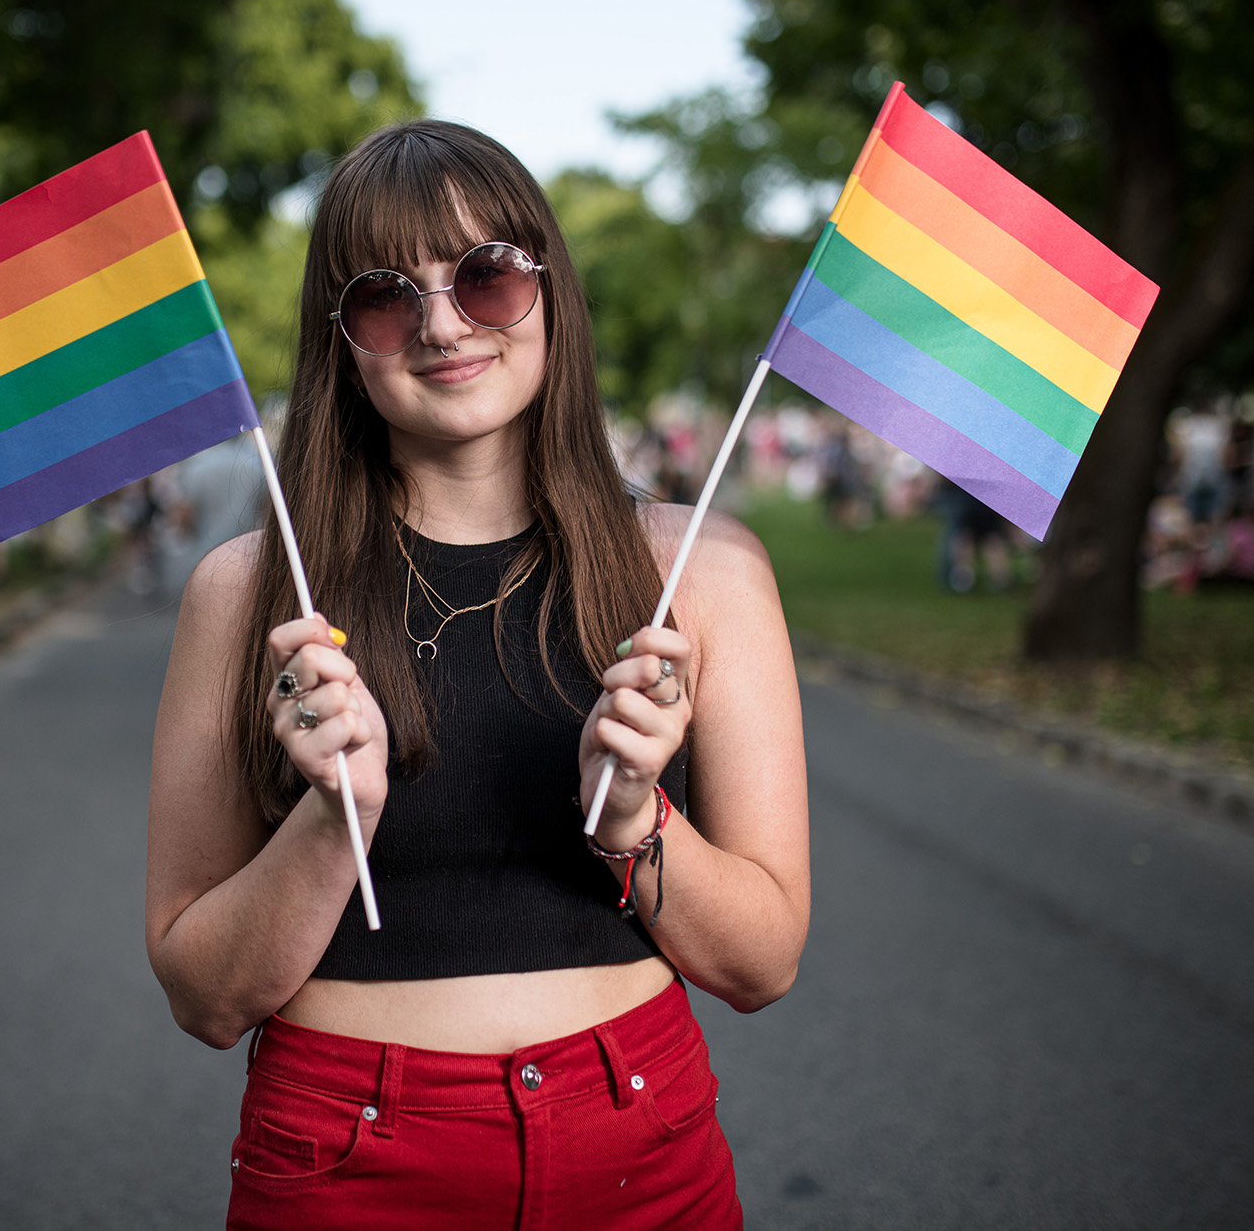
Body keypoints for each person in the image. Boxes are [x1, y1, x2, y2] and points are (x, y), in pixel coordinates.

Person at [147, 121, 808, 1229]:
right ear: (342, 340)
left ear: (547, 289)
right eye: (383, 295)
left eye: (485, 276)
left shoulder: (701, 572)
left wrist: (636, 818)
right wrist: (331, 818)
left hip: (638, 1146)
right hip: (342, 1160)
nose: (442, 322)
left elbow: (759, 963)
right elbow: (203, 997)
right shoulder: (253, 593)